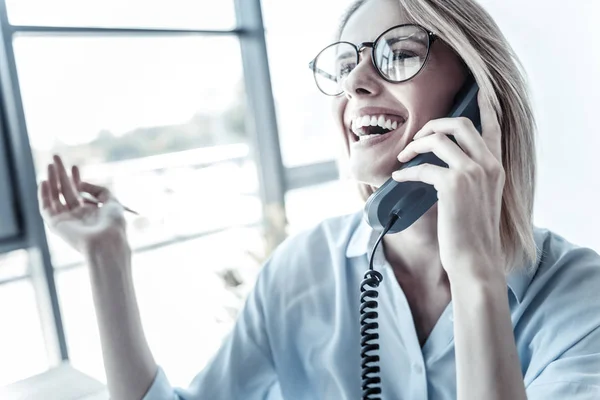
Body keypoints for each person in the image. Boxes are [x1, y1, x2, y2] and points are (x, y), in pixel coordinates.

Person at [38, 0, 600, 399]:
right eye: (346, 61)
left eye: (397, 54)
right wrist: (106, 260)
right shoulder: (301, 269)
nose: (356, 80)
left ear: (477, 98)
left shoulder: (580, 300)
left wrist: (476, 276)